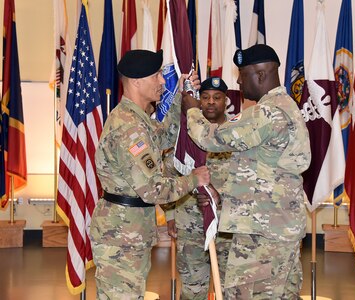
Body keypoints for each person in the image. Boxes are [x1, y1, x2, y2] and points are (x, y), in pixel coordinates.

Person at [182, 44, 311, 299]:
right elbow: (263, 174)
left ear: (261, 75)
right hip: (277, 227)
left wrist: (192, 109)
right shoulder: (286, 106)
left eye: (243, 74)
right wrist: (224, 198)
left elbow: (212, 138)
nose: (239, 81)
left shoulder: (268, 112)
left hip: (263, 236)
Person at [90, 49, 210, 300]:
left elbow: (165, 136)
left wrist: (180, 96)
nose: (162, 81)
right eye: (156, 75)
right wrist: (194, 179)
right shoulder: (130, 128)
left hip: (128, 231)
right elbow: (154, 190)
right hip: (121, 237)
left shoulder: (136, 118)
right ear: (136, 81)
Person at [164, 77, 233, 300]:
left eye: (217, 97)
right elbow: (168, 174)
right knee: (193, 292)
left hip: (228, 228)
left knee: (231, 290)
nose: (210, 102)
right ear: (198, 102)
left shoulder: (236, 133)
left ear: (226, 100)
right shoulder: (186, 134)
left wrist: (222, 197)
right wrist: (171, 214)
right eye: (204, 97)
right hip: (190, 225)